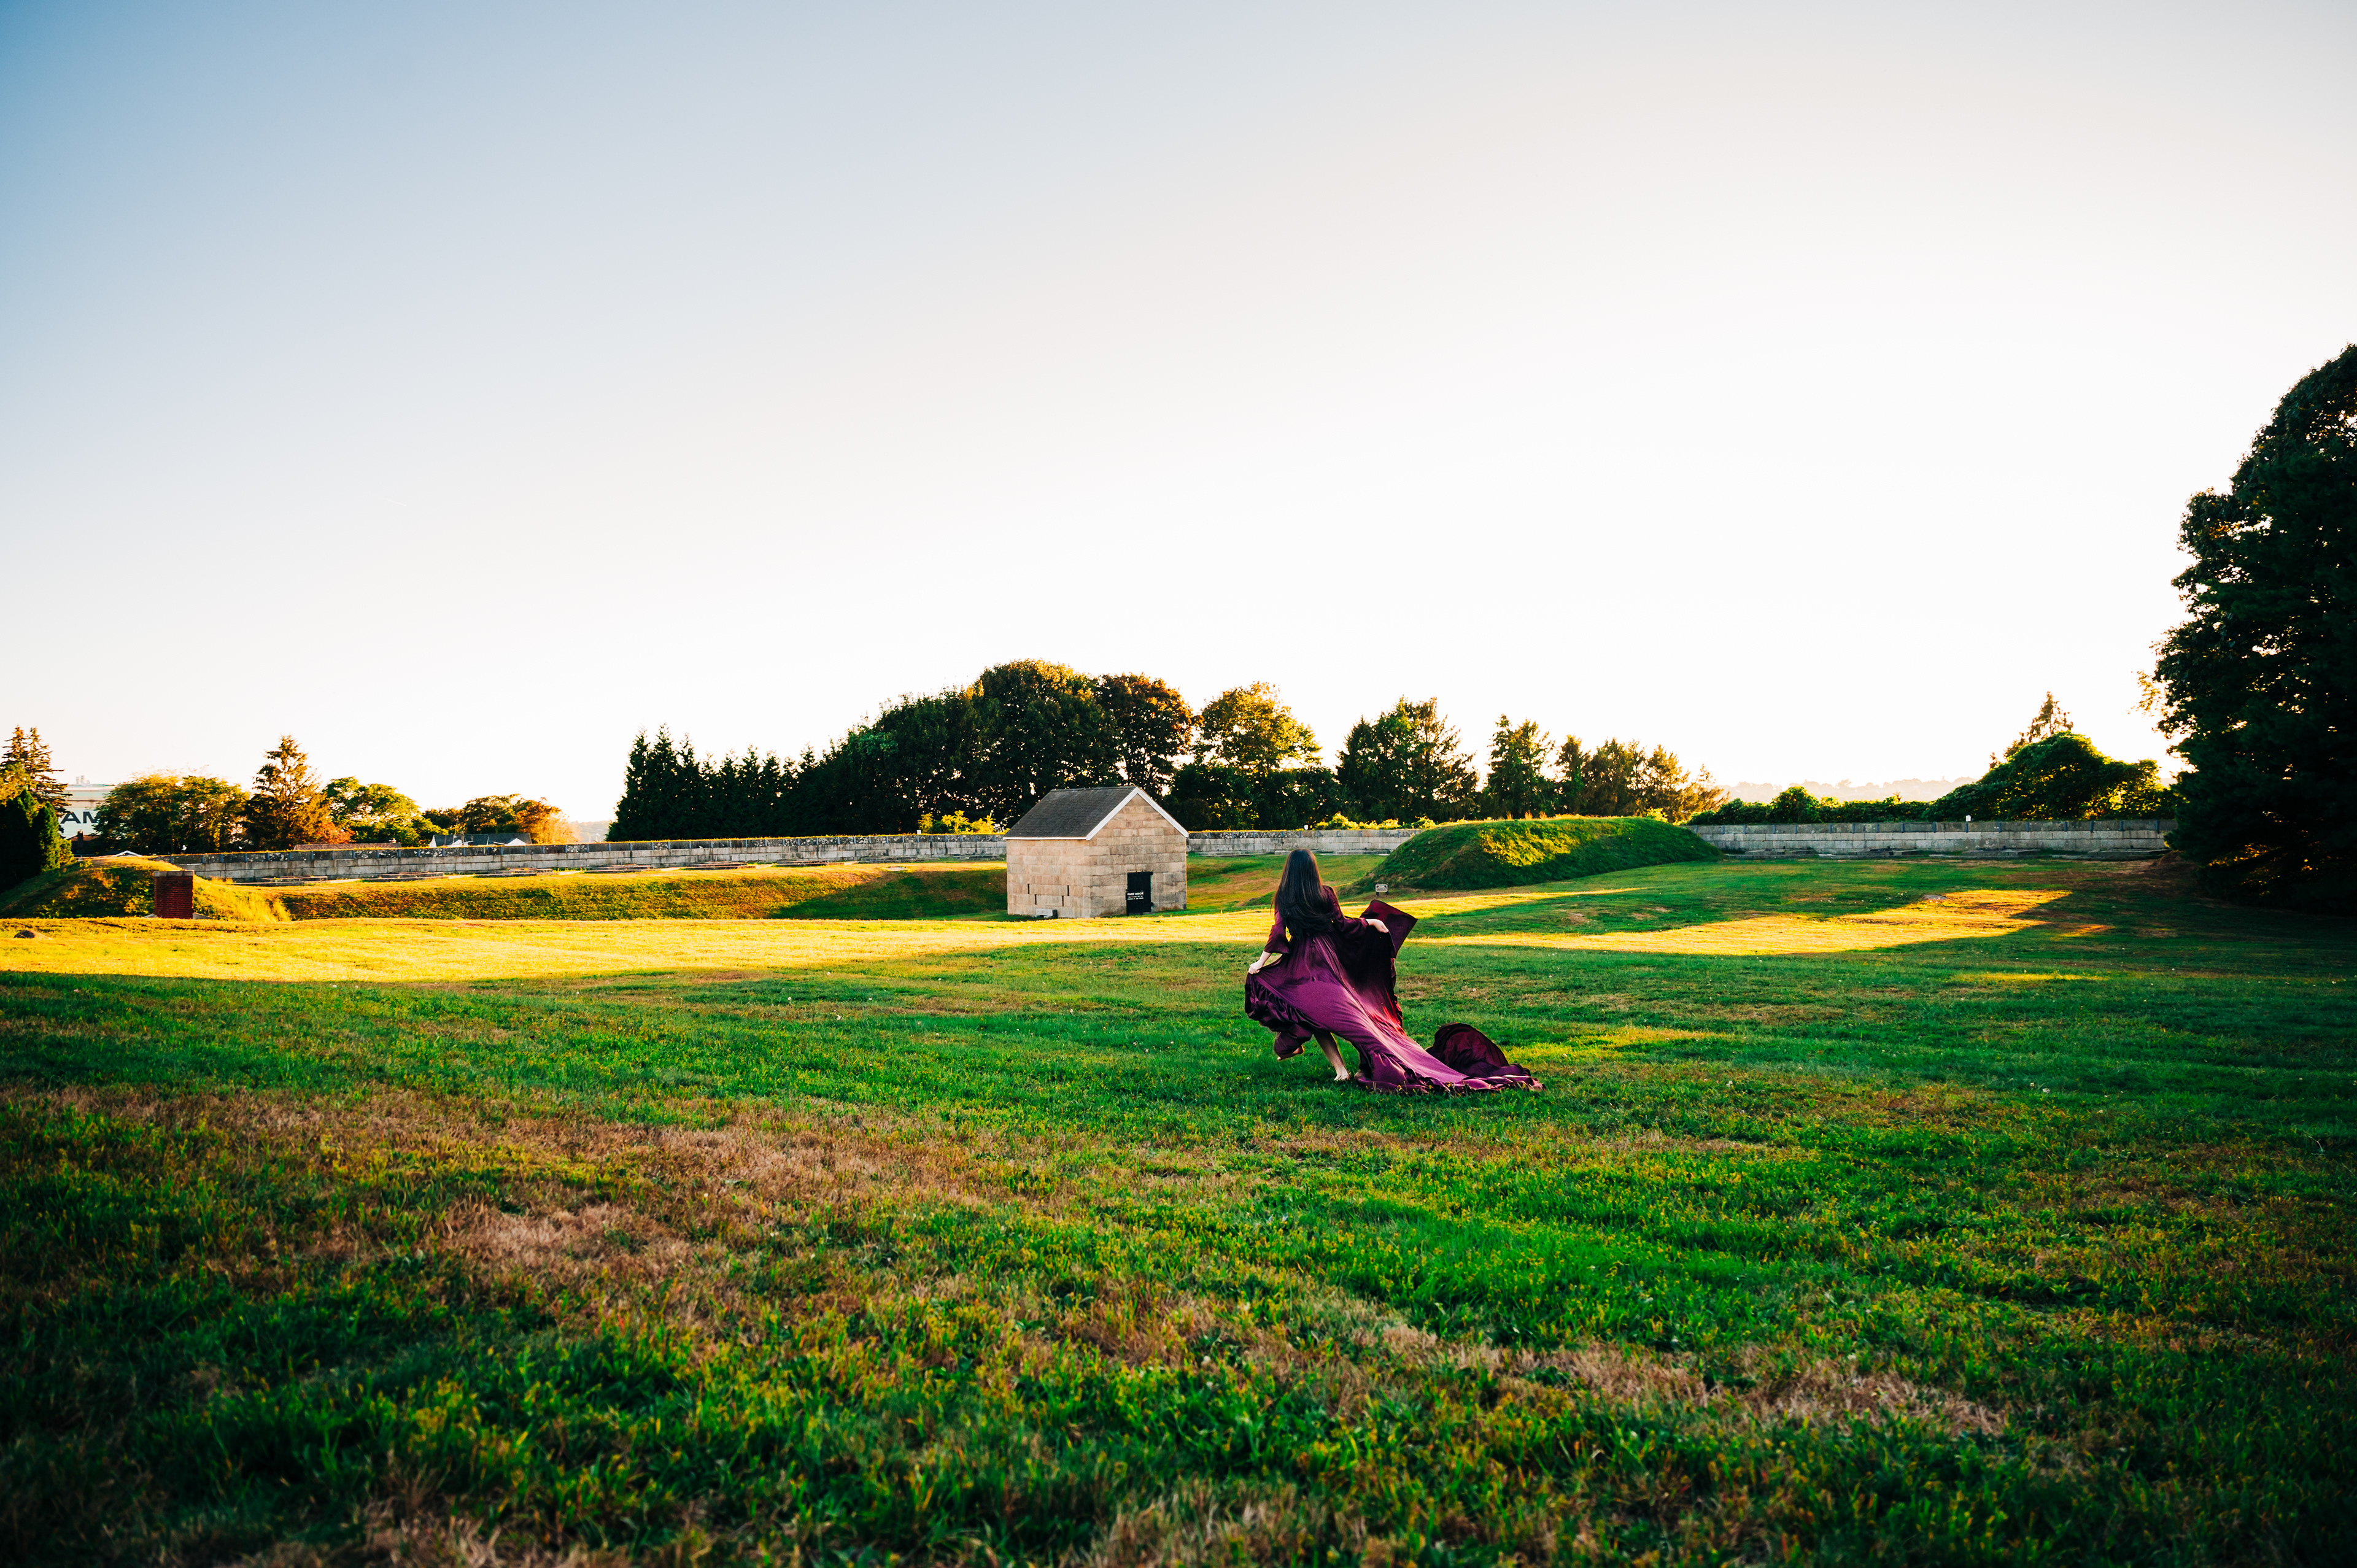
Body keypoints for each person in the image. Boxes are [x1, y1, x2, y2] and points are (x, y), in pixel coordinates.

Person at [1244, 848, 1539, 1094]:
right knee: (1315, 1016)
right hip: (1323, 962)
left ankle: (1371, 1063)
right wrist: (1369, 923)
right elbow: (1341, 927)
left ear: (1289, 871)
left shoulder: (1290, 895)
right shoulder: (1323, 893)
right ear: (1312, 869)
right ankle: (1340, 1070)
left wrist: (1261, 962)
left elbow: (1278, 933)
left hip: (1310, 965)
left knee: (1344, 1020)